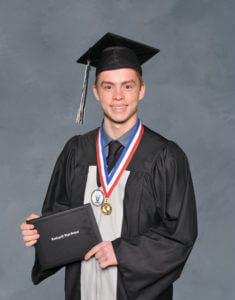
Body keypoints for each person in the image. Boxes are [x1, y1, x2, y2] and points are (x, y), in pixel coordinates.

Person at [20, 33, 198, 300]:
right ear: (95, 92)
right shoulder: (75, 151)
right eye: (107, 87)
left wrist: (121, 252)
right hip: (82, 291)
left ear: (142, 89)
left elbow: (180, 235)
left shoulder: (165, 156)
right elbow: (60, 218)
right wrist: (42, 232)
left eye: (127, 86)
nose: (118, 96)